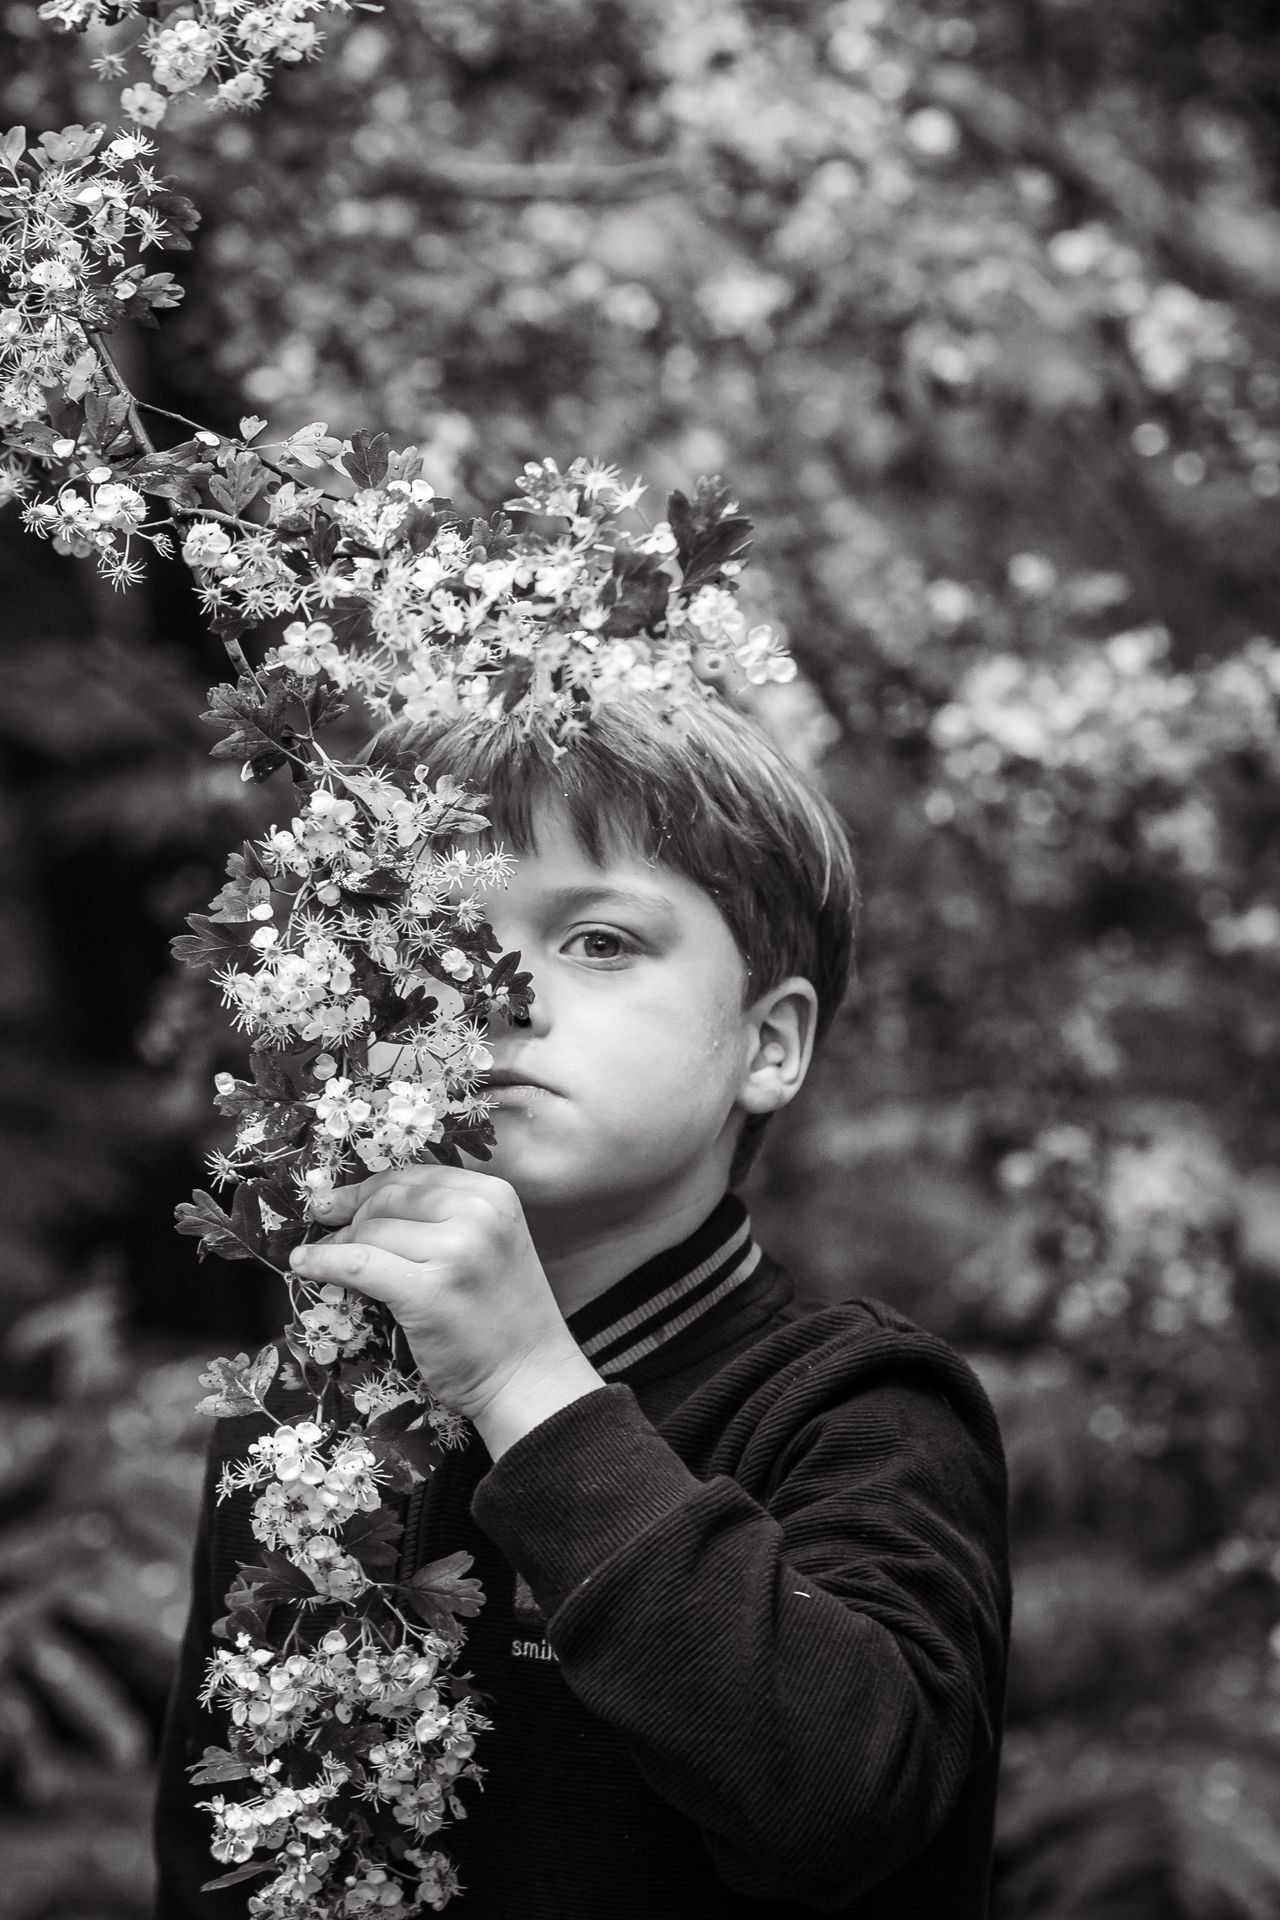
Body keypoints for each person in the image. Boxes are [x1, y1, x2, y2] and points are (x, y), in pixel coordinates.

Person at [154, 695, 1010, 1918]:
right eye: (439, 931)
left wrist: (526, 1388)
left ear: (767, 1045)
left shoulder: (858, 1411)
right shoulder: (302, 1420)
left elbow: (843, 1806)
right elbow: (210, 1867)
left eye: (600, 942)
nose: (495, 989)